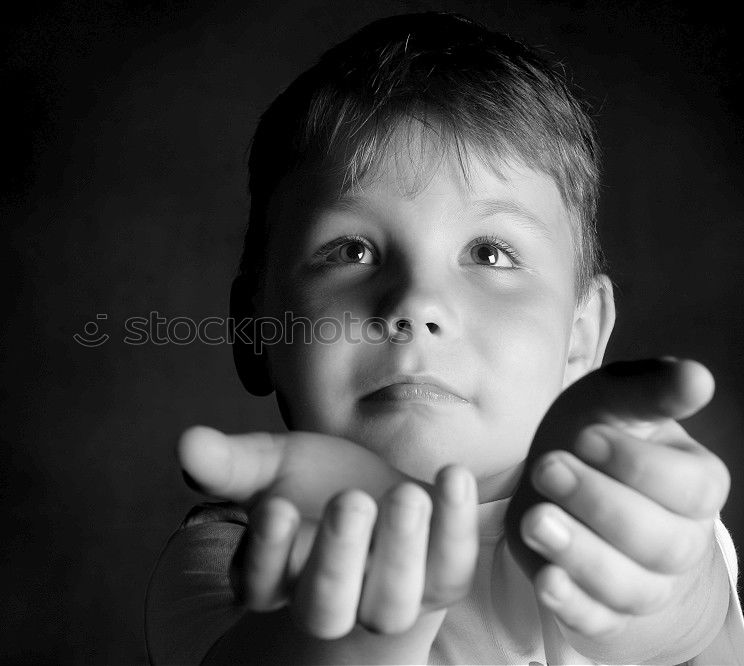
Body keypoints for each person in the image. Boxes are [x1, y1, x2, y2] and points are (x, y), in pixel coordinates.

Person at [144, 12, 743, 664]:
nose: (417, 303)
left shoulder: (630, 519)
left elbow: (710, 642)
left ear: (581, 336)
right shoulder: (235, 552)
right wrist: (350, 640)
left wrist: (680, 613)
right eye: (351, 249)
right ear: (256, 329)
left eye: (489, 253)